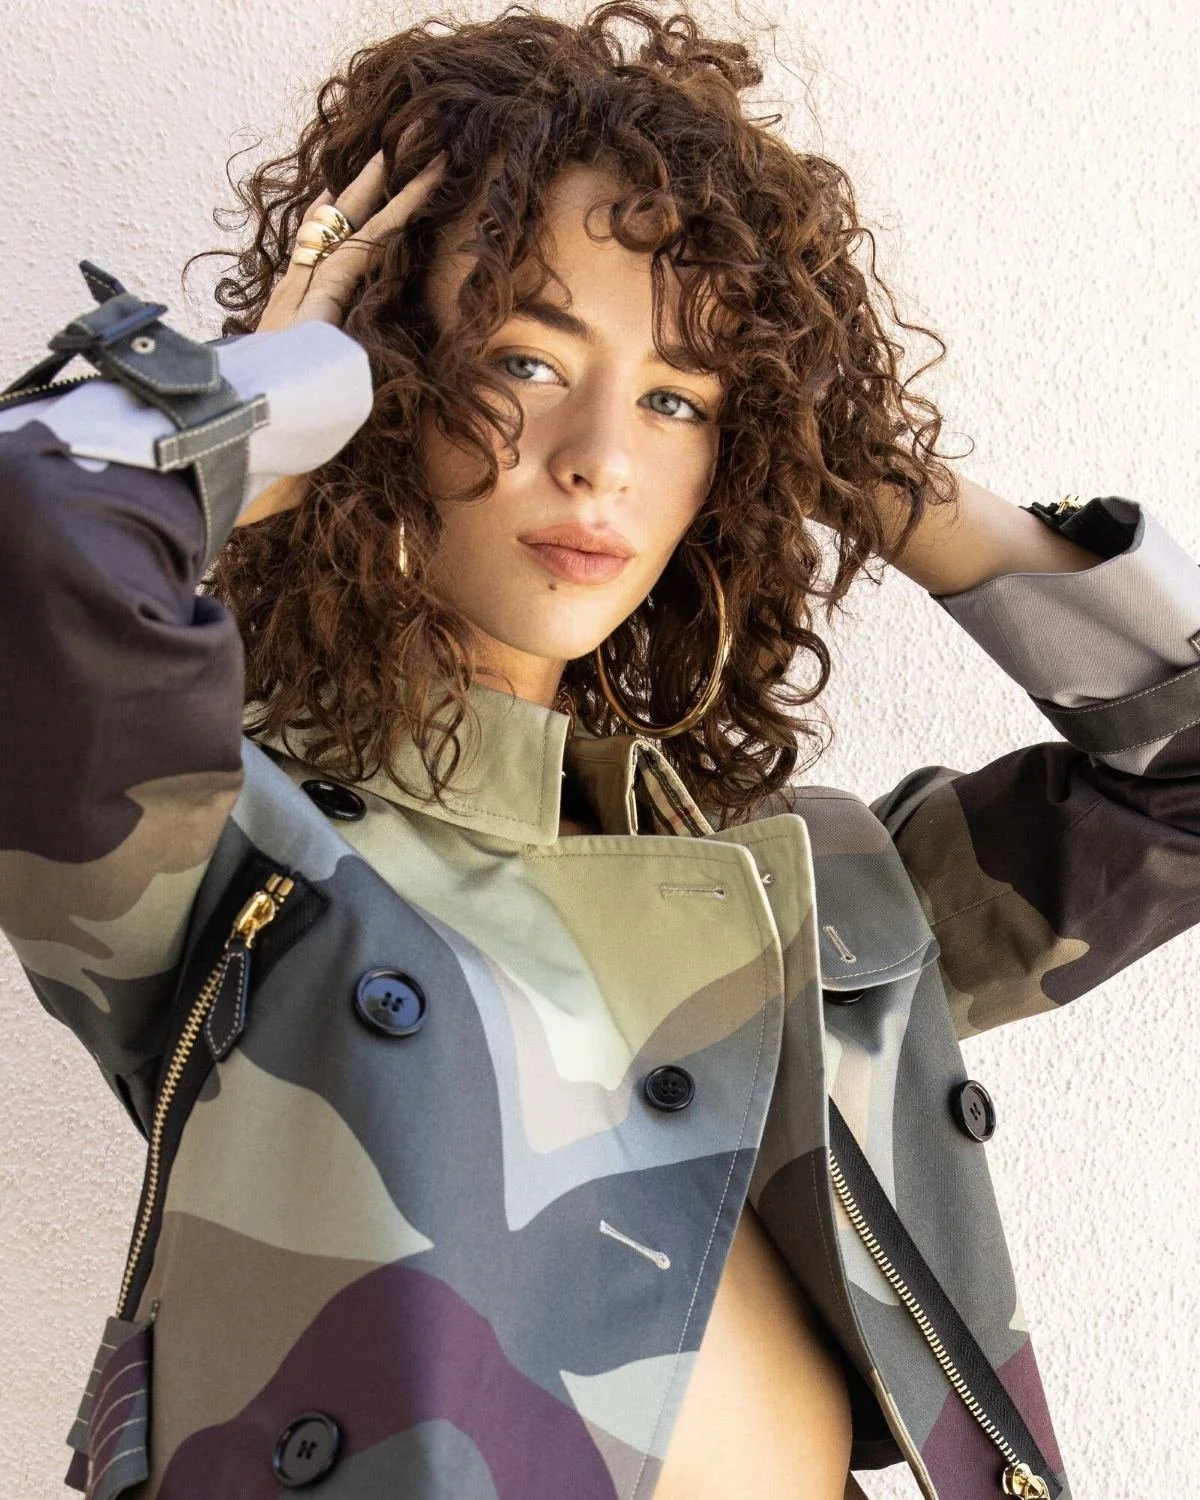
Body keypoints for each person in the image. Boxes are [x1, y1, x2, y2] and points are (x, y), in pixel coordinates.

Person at [1, 3, 1197, 1497]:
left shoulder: (810, 904)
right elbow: (41, 530)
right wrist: (290, 378)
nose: (601, 457)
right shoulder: (227, 854)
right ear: (395, 386)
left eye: (681, 397)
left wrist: (877, 469)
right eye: (518, 359)